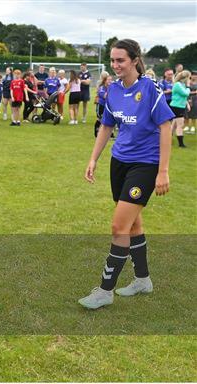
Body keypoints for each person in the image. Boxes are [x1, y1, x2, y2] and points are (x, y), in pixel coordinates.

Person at [79, 39, 174, 310]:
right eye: (113, 60)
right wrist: (93, 159)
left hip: (145, 166)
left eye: (120, 60)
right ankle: (143, 280)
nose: (115, 65)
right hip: (119, 162)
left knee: (118, 227)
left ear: (135, 60)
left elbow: (166, 127)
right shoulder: (113, 91)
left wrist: (163, 171)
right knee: (133, 225)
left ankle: (105, 290)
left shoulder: (150, 89)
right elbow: (107, 127)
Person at [169, 70, 192, 148]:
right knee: (180, 125)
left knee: (174, 125)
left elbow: (184, 97)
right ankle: (181, 144)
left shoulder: (182, 84)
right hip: (177, 107)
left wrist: (187, 104)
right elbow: (185, 93)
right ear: (185, 78)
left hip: (180, 106)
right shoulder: (178, 85)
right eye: (189, 78)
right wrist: (188, 86)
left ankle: (167, 140)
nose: (189, 79)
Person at [94, 71, 112, 137]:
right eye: (109, 80)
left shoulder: (111, 87)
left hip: (108, 106)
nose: (110, 81)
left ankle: (110, 134)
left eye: (111, 80)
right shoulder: (102, 88)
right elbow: (105, 96)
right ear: (105, 81)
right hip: (101, 105)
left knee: (109, 119)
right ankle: (96, 132)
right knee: (100, 119)